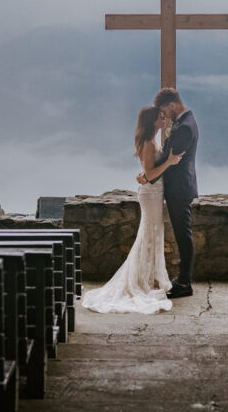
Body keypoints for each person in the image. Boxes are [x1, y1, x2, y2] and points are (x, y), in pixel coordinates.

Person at [81, 105, 184, 314]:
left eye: (164, 117)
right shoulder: (148, 142)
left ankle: (149, 277)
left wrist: (147, 174)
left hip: (153, 191)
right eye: (160, 118)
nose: (163, 120)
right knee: (150, 233)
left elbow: (147, 172)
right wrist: (171, 162)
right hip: (151, 193)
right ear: (152, 121)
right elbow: (152, 172)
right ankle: (144, 279)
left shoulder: (152, 140)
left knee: (153, 233)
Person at [141, 87, 199, 299]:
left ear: (173, 105)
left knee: (183, 235)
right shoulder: (186, 121)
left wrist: (150, 176)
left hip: (179, 188)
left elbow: (171, 161)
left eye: (165, 111)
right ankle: (183, 280)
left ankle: (185, 283)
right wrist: (148, 172)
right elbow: (168, 157)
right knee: (183, 234)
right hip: (179, 186)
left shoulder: (183, 127)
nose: (164, 116)